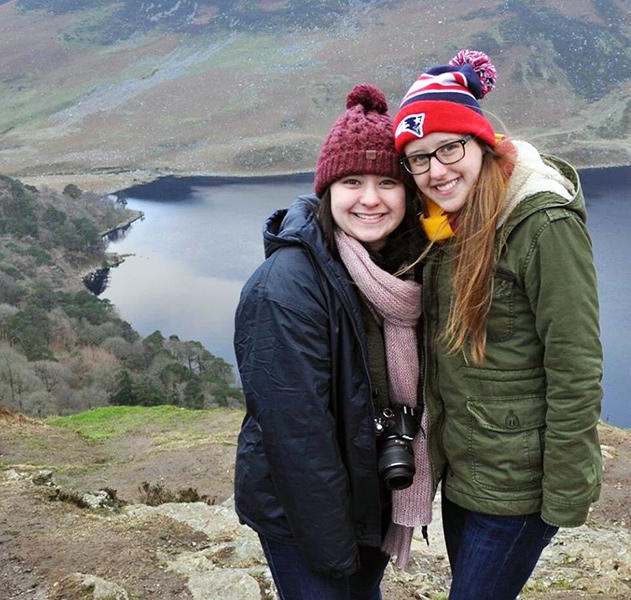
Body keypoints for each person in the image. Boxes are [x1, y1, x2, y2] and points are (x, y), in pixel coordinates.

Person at [392, 50, 604, 600]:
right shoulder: (446, 225)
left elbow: (575, 364)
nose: (436, 170)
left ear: (480, 144)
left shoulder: (541, 224)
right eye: (418, 159)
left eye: (449, 148)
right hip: (466, 472)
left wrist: (563, 493)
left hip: (519, 487)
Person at [233, 84, 432, 600]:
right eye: (351, 181)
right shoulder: (286, 287)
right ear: (326, 191)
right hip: (307, 517)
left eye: (387, 181)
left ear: (408, 192)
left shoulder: (401, 270)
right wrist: (336, 554)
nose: (370, 198)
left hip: (365, 498)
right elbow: (296, 438)